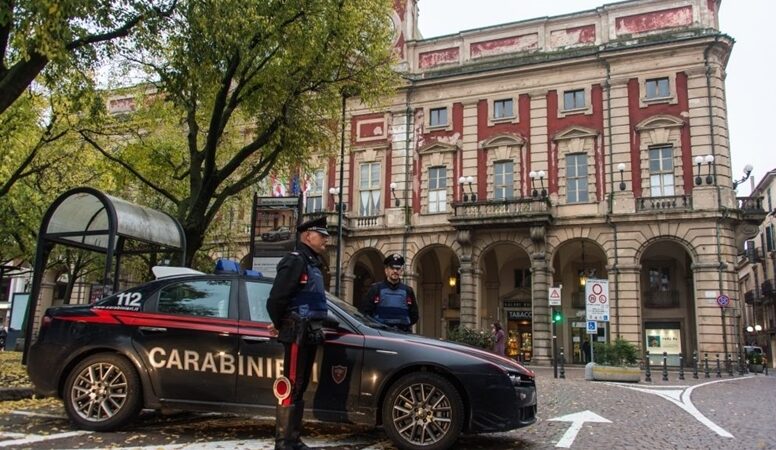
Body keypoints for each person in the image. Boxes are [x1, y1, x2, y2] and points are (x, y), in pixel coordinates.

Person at [266, 216, 330, 450]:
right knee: (291, 384)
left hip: (309, 332)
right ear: (307, 236)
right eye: (321, 235)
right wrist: (281, 323)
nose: (326, 239)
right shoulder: (295, 261)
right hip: (296, 332)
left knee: (300, 385)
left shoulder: (313, 262)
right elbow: (276, 300)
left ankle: (293, 438)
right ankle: (284, 442)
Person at [360, 253, 418, 332]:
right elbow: (365, 313)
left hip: (403, 334)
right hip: (380, 334)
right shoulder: (375, 289)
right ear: (386, 270)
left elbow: (414, 316)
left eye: (398, 269)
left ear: (401, 271)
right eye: (392, 268)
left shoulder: (408, 291)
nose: (395, 271)